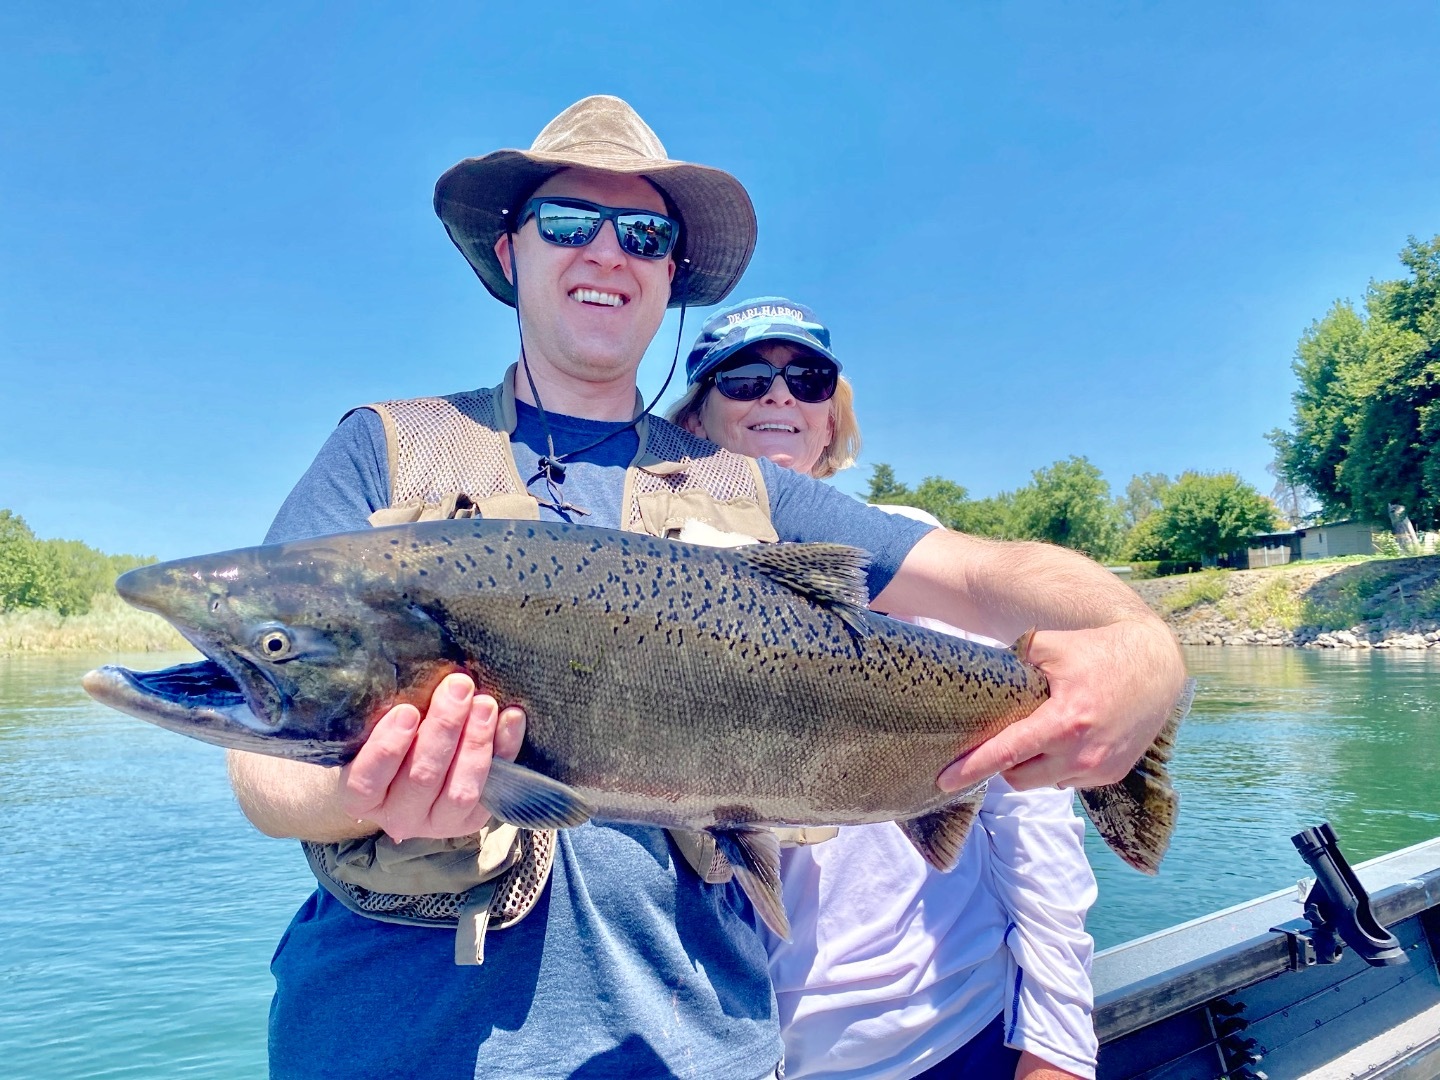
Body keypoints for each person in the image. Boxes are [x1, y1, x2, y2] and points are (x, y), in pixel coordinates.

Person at [226, 95, 1186, 1079]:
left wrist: (1145, 649)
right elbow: (263, 763)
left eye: (643, 233)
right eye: (568, 222)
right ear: (511, 253)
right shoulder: (384, 450)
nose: (607, 252)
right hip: (391, 1044)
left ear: (669, 276)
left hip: (695, 1049)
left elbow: (983, 575)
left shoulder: (750, 490)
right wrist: (362, 788)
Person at [668, 299, 1098, 1080]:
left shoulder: (918, 558)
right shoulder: (651, 589)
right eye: (743, 379)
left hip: (955, 1028)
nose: (779, 396)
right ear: (693, 424)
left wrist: (1058, 1037)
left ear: (833, 419)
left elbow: (1026, 809)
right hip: (743, 1050)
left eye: (809, 378)